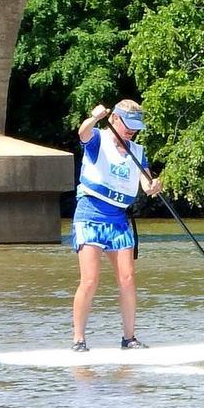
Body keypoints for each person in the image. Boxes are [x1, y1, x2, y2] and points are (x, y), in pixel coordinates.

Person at [71, 99, 161, 352]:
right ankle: (78, 340)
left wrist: (154, 186)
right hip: (90, 215)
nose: (132, 130)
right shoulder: (98, 139)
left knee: (128, 278)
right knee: (90, 280)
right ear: (114, 120)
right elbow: (82, 133)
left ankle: (129, 339)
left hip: (119, 220)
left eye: (136, 126)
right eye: (128, 125)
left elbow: (146, 183)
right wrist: (94, 117)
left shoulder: (137, 151)